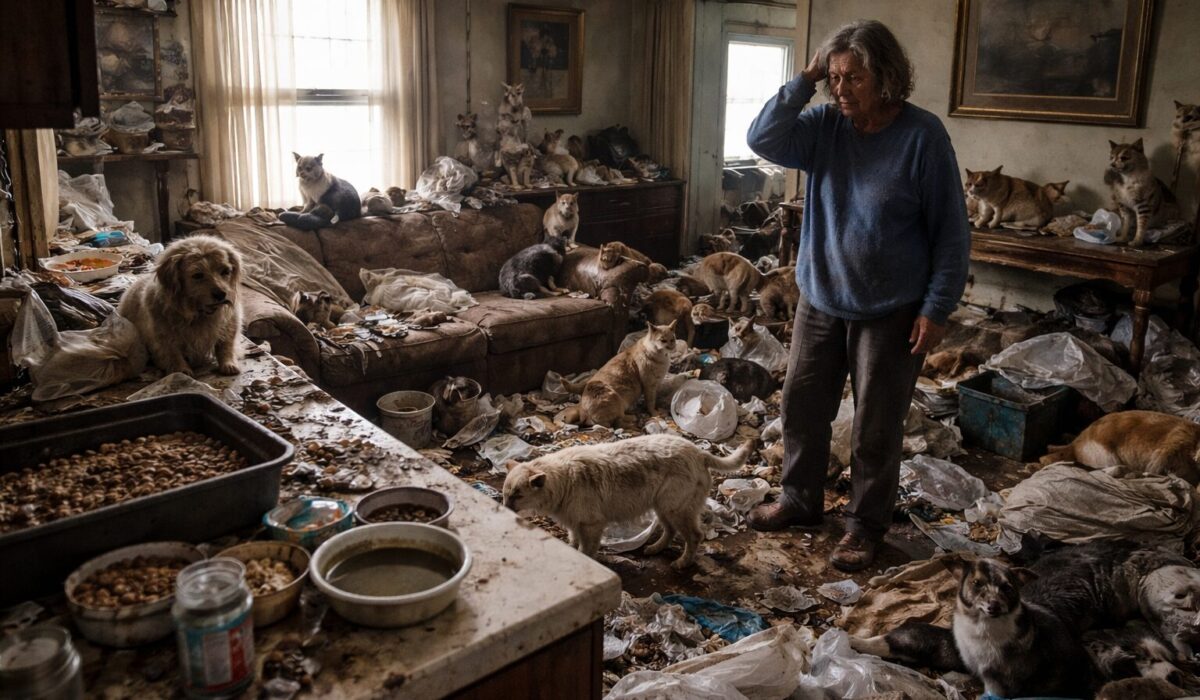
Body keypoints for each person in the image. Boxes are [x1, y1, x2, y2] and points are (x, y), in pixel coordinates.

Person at [744, 20, 970, 572]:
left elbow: (951, 231)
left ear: (885, 77)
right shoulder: (824, 125)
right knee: (801, 406)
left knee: (876, 425)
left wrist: (936, 307)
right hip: (821, 297)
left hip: (891, 309)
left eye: (854, 78)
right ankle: (800, 499)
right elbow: (762, 139)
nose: (841, 89)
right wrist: (805, 80)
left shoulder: (922, 136)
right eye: (835, 77)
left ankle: (865, 526)